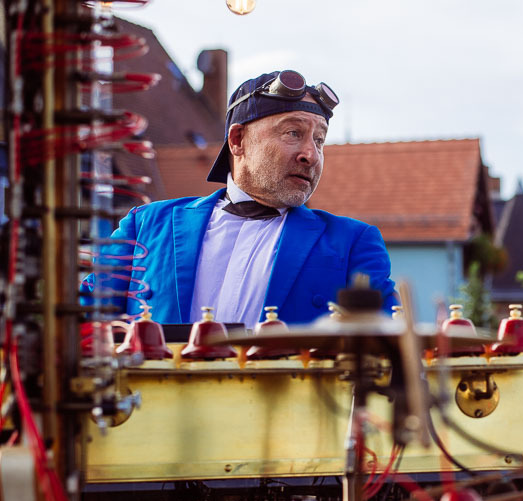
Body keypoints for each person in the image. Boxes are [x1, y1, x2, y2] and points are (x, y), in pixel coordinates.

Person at [88, 69, 397, 328]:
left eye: (320, 140)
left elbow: (390, 351)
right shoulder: (146, 225)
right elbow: (84, 325)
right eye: (293, 133)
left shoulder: (352, 242)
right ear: (237, 141)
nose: (311, 155)